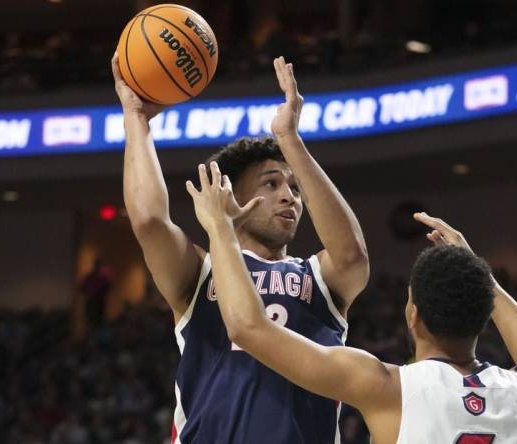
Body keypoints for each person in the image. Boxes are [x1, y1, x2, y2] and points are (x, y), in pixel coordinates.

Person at [186, 161, 517, 444]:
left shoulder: (386, 386)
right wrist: (480, 275)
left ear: (413, 316)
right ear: (484, 315)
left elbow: (247, 327)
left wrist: (221, 228)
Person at [112, 54, 369, 443]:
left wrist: (291, 141)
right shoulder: (201, 271)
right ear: (232, 196)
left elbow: (353, 256)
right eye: (271, 185)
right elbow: (149, 220)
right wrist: (137, 120)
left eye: (294, 188)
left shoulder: (318, 277)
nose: (290, 198)